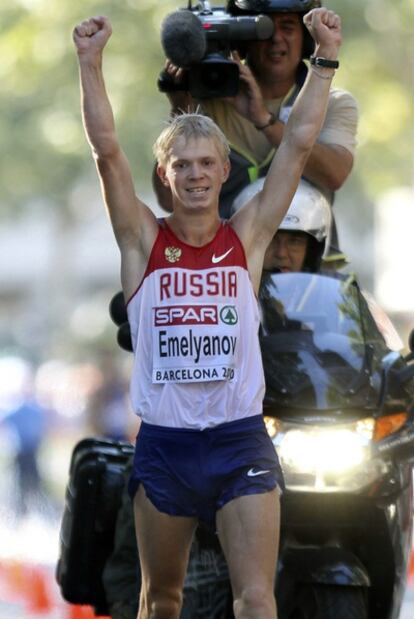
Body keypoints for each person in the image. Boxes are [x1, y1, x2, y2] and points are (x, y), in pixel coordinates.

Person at [73, 8, 341, 619]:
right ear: (165, 176)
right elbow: (106, 151)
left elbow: (298, 145)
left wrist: (324, 60)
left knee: (256, 599)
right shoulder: (142, 241)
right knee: (162, 601)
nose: (194, 174)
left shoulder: (247, 236)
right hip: (165, 445)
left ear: (224, 171)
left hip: (238, 441)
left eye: (205, 163)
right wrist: (89, 62)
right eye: (182, 165)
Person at [155, 0, 358, 265]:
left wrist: (263, 119)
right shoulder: (206, 105)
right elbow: (168, 200)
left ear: (306, 39)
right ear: (244, 40)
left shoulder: (332, 103)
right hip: (223, 267)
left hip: (307, 272)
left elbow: (335, 175)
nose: (276, 39)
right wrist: (181, 109)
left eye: (288, 27)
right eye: (263, 28)